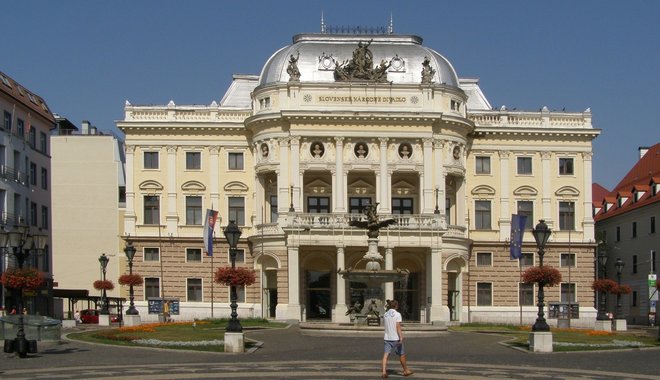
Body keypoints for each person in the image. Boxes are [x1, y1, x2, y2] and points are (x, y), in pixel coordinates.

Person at [381, 300, 413, 378]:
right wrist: (401, 337)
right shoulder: (397, 314)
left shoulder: (385, 314)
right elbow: (398, 326)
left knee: (386, 355)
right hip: (396, 338)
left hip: (387, 337)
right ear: (396, 306)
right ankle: (405, 370)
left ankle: (384, 372)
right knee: (401, 354)